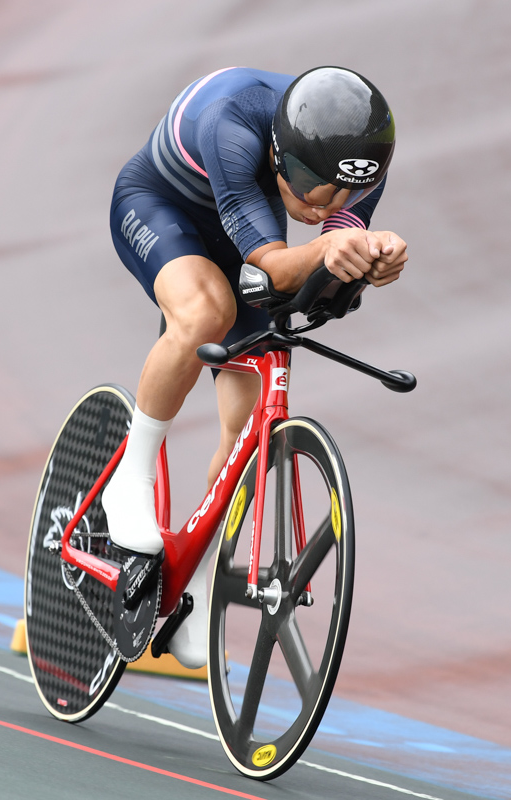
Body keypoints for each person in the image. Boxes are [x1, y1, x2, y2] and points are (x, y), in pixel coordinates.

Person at [102, 66, 408, 668]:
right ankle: (128, 480)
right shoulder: (235, 125)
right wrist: (324, 248)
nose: (327, 206)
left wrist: (373, 256)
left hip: (244, 226)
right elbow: (271, 264)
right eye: (311, 187)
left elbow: (319, 267)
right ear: (278, 153)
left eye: (343, 195)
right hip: (162, 206)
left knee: (249, 424)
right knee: (206, 310)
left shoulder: (357, 163)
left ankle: (190, 586)